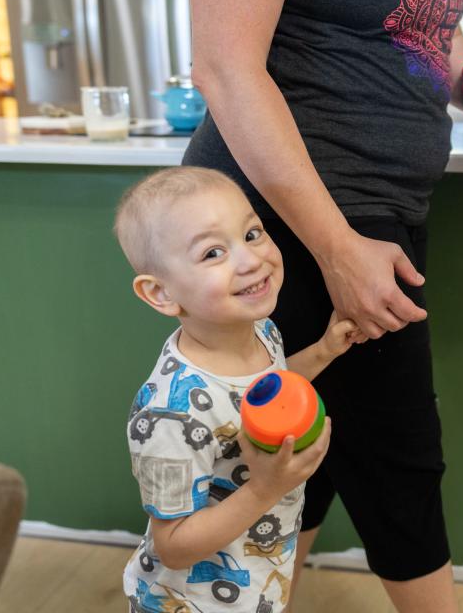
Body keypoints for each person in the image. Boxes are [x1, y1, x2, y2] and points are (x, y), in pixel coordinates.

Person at [183, 0, 463, 610]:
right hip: (292, 221)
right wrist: (338, 248)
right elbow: (224, 67)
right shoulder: (328, 236)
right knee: (396, 461)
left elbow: (426, 32)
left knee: (301, 449)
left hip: (374, 214)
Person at [115, 166, 362, 612]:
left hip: (256, 587)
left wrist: (324, 351)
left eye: (252, 233)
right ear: (161, 293)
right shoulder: (169, 415)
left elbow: (269, 390)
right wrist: (264, 490)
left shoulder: (261, 330)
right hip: (190, 603)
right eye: (212, 253)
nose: (251, 260)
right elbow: (172, 545)